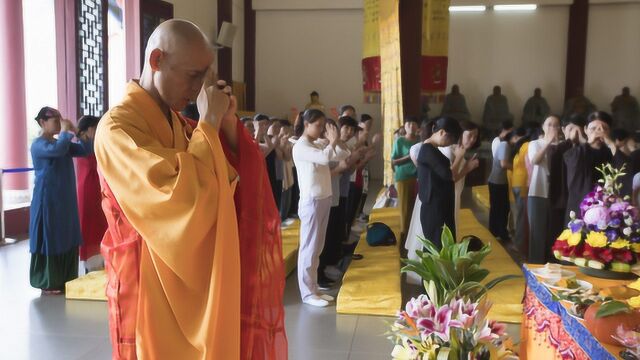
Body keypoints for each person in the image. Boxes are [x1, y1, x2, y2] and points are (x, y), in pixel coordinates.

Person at [95, 20, 286, 359]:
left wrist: (225, 128)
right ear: (156, 60)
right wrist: (208, 126)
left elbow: (228, 182)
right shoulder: (117, 129)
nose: (199, 88)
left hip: (191, 281)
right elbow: (179, 200)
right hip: (145, 284)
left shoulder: (179, 124)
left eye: (205, 76)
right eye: (192, 75)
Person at [29, 107, 92, 294]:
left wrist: (77, 131)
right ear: (42, 122)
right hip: (48, 201)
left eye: (59, 118)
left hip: (65, 201)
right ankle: (48, 281)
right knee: (52, 237)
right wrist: (66, 133)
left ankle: (66, 277)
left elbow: (85, 149)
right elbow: (57, 151)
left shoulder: (61, 144)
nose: (58, 121)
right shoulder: (38, 145)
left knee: (67, 235)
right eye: (54, 119)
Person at [292, 109, 350, 307]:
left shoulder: (317, 143)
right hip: (312, 201)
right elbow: (326, 159)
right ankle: (307, 293)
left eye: (324, 126)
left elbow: (344, 154)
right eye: (318, 125)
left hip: (324, 198)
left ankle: (314, 288)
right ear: (306, 124)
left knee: (318, 247)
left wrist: (337, 139)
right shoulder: (301, 146)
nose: (321, 129)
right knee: (309, 247)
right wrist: (332, 142)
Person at [417, 117, 463, 248]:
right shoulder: (427, 150)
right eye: (450, 139)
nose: (450, 143)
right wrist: (459, 157)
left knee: (443, 246)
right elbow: (448, 175)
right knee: (438, 247)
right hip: (434, 207)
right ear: (442, 132)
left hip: (440, 204)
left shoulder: (433, 149)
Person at [564, 111, 615, 221]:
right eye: (593, 128)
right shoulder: (575, 152)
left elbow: (622, 169)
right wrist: (588, 143)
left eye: (603, 129)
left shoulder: (611, 153)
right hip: (579, 207)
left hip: (604, 210)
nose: (598, 132)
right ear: (585, 130)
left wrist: (610, 143)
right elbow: (573, 173)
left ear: (609, 131)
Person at [527, 116, 561, 263]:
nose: (552, 128)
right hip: (538, 191)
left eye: (555, 125)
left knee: (554, 232)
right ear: (543, 127)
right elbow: (535, 160)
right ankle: (535, 264)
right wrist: (548, 143)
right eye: (549, 124)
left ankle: (553, 263)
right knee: (537, 232)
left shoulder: (563, 145)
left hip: (558, 193)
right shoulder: (535, 143)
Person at [75, 115, 107, 271]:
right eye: (95, 128)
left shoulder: (93, 143)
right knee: (88, 224)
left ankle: (101, 258)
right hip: (87, 187)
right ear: (87, 129)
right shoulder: (81, 144)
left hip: (98, 186)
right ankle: (90, 262)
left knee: (101, 221)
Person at [547, 116, 585, 241]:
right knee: (557, 232)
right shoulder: (559, 148)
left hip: (578, 198)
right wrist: (570, 141)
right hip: (560, 197)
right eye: (572, 129)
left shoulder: (585, 150)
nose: (575, 133)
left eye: (578, 130)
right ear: (563, 129)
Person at [391, 116, 420, 236]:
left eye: (414, 124)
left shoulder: (420, 141)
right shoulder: (400, 141)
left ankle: (414, 235)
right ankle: (404, 235)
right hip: (403, 177)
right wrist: (409, 156)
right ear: (405, 126)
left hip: (418, 177)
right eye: (408, 124)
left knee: (415, 207)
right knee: (404, 208)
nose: (411, 126)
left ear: (418, 127)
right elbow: (394, 161)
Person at [488, 123, 513, 241]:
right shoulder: (503, 144)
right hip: (497, 181)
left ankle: (496, 231)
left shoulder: (504, 144)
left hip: (499, 181)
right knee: (500, 208)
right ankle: (498, 232)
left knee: (500, 207)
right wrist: (517, 167)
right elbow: (503, 164)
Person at [510, 126, 531, 251]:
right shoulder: (528, 145)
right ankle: (519, 244)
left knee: (520, 215)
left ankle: (519, 242)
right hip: (523, 183)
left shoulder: (522, 145)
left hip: (518, 182)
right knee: (522, 216)